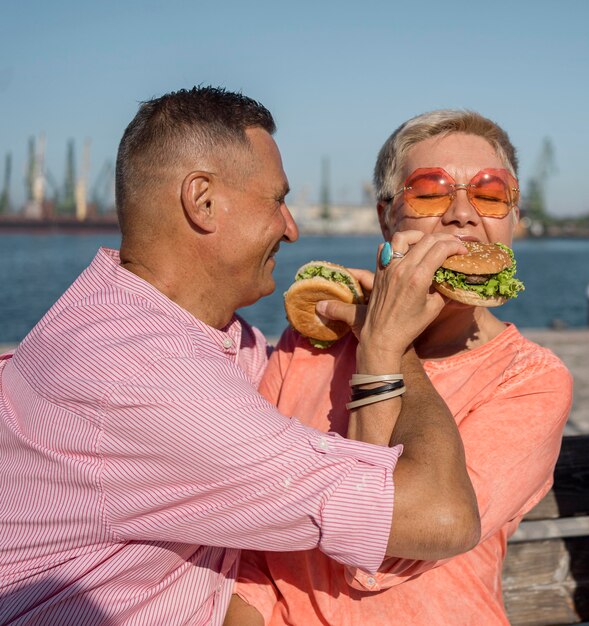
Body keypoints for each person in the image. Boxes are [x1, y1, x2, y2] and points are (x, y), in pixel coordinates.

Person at [0, 88, 480, 625]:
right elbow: (442, 515)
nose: (291, 228)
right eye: (277, 200)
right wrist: (392, 341)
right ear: (201, 201)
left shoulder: (163, 326)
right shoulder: (147, 379)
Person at [228, 110, 574, 625]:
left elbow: (382, 551)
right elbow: (246, 548)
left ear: (513, 220)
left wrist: (388, 344)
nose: (462, 213)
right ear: (386, 217)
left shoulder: (531, 383)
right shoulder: (310, 342)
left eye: (490, 193)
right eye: (431, 191)